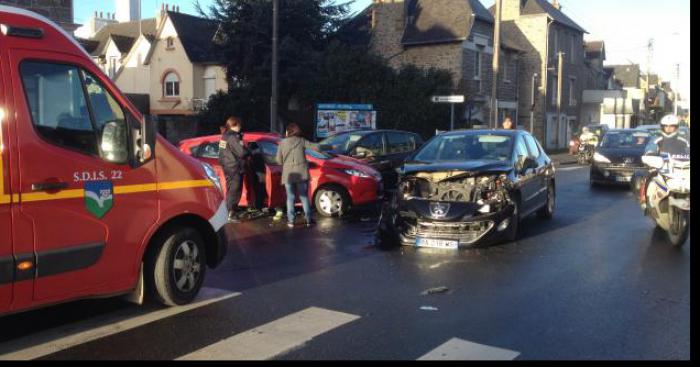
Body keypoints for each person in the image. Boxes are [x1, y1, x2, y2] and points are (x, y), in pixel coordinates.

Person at [276, 123, 314, 228]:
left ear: (288, 132)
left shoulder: (282, 143)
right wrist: (330, 146)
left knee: (290, 197)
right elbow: (315, 146)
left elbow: (278, 161)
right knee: (304, 197)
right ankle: (308, 220)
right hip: (302, 173)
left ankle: (291, 221)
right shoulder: (301, 141)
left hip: (289, 174)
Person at [218, 116, 249, 223]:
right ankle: (231, 214)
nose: (240, 127)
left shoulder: (225, 136)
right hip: (235, 167)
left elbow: (222, 153)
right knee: (235, 191)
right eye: (239, 124)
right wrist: (247, 149)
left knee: (230, 190)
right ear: (235, 125)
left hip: (228, 166)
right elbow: (241, 152)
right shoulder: (233, 137)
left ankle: (228, 212)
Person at [247, 142, 268, 212]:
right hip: (259, 175)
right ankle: (259, 206)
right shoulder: (258, 156)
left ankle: (257, 205)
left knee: (257, 191)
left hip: (255, 175)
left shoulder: (251, 156)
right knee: (260, 191)